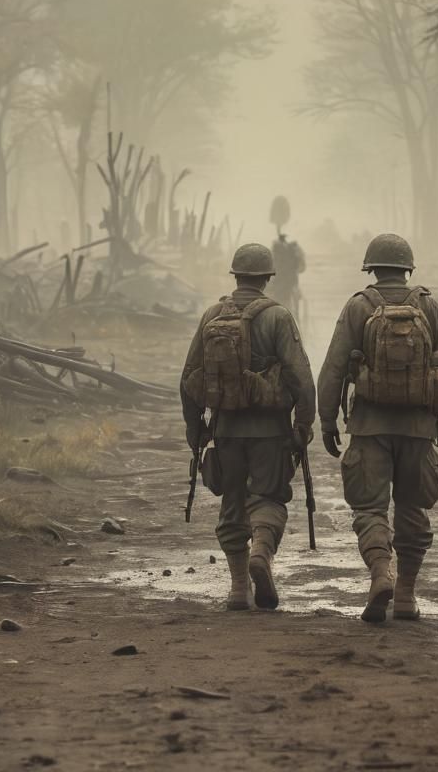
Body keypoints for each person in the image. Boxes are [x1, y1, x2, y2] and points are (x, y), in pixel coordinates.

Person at [317, 233, 438, 623]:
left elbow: (334, 367)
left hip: (369, 426)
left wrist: (327, 418)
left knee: (369, 508)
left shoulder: (358, 307)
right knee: (412, 510)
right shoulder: (428, 307)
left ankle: (380, 573)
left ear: (371, 267)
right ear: (407, 268)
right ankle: (404, 596)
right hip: (420, 428)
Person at [180, 242, 316, 611]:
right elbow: (301, 377)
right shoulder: (278, 317)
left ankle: (239, 587)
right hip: (271, 431)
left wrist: (197, 431)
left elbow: (189, 377)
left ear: (236, 274)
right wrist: (303, 425)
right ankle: (261, 551)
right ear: (268, 277)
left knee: (232, 504)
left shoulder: (212, 314)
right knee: (268, 498)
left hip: (225, 431)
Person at [271, 232, 306, 319]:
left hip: (286, 284)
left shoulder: (289, 250)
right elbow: (301, 268)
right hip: (284, 284)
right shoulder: (291, 250)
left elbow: (301, 267)